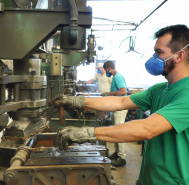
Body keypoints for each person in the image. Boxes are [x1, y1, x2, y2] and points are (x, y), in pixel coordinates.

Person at [54, 24, 189, 185]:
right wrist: (77, 101)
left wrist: (87, 133)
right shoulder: (159, 89)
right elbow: (121, 101)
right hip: (147, 179)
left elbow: (147, 128)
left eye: (159, 52)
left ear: (179, 56)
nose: (154, 57)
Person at [102, 60, 128, 167]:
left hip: (121, 107)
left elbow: (123, 91)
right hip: (116, 107)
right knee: (116, 131)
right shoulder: (114, 77)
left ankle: (122, 157)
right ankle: (117, 153)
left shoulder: (118, 77)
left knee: (119, 132)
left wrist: (109, 93)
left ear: (108, 68)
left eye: (105, 70)